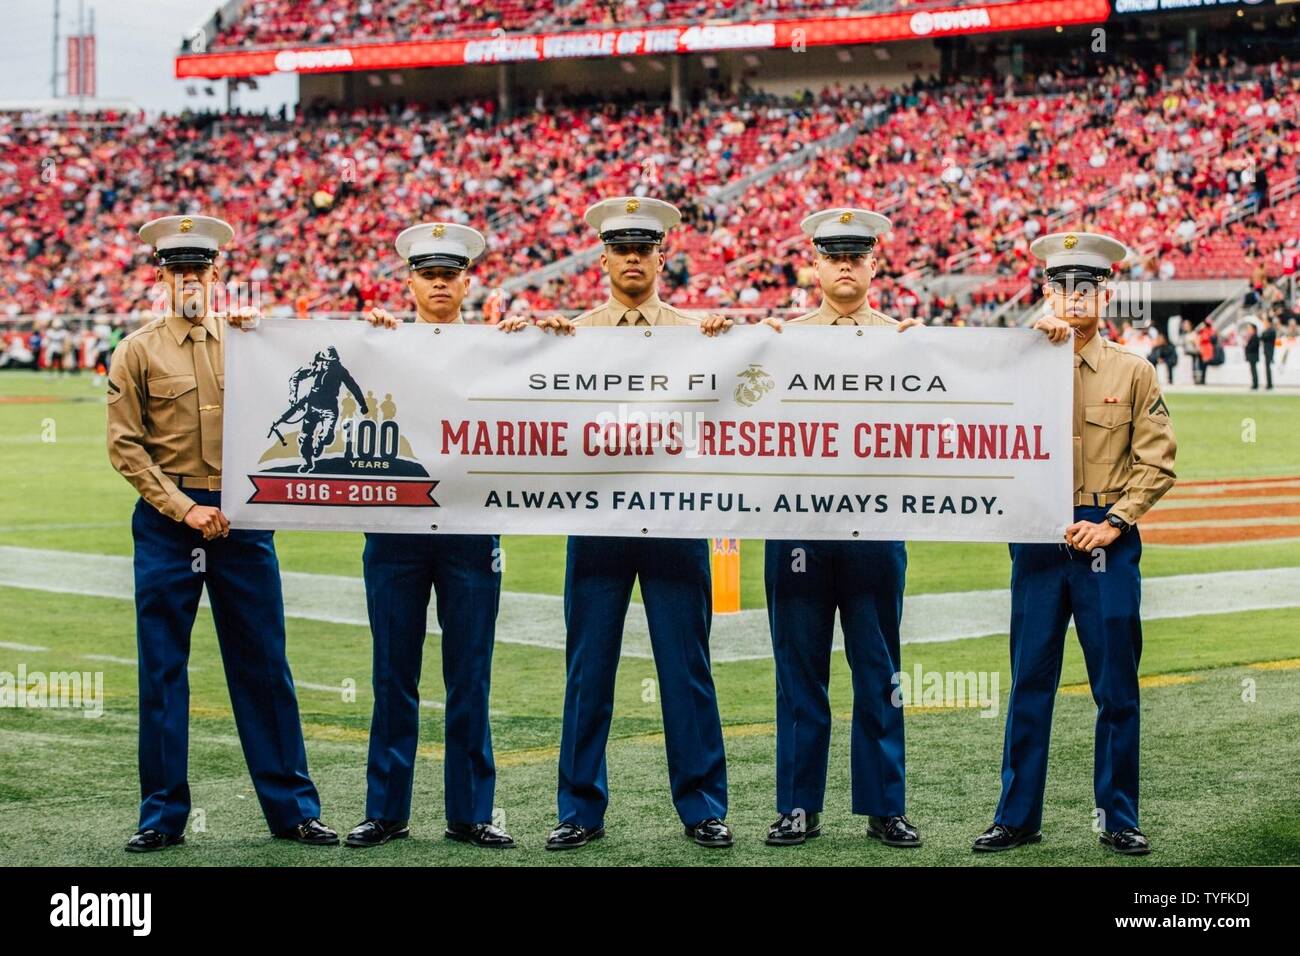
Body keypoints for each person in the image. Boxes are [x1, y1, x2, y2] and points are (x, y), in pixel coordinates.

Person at [503, 197, 735, 850]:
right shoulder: (571, 333)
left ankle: (703, 806)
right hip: (599, 519)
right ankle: (580, 808)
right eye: (621, 249)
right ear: (603, 258)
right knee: (588, 669)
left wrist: (732, 344)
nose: (633, 259)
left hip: (674, 517)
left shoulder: (701, 333)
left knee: (686, 669)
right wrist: (525, 343)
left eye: (644, 248)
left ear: (663, 256)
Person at [109, 215, 335, 852]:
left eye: (199, 268)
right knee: (162, 671)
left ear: (216, 274)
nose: (188, 278)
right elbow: (125, 447)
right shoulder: (137, 349)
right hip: (169, 524)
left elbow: (328, 360)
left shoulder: (249, 341)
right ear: (160, 275)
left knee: (264, 665)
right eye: (177, 268)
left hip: (242, 521)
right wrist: (183, 509)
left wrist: (374, 327)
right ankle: (161, 817)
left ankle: (293, 810)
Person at [973, 231, 1176, 856]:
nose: (1075, 297)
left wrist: (1113, 522)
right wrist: (1028, 348)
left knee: (1115, 685)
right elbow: (980, 433)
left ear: (1105, 294)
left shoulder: (1134, 371)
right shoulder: (1018, 362)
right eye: (1062, 287)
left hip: (1107, 542)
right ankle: (1017, 816)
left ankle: (1119, 817)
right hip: (1038, 540)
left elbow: (1158, 461)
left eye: (1086, 287)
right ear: (1046, 292)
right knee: (1029, 681)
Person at [759, 208, 924, 848]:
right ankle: (799, 805)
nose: (846, 266)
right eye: (834, 256)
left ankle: (886, 803)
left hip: (876, 524)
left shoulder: (905, 340)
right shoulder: (781, 338)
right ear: (816, 265)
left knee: (879, 669)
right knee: (799, 671)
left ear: (874, 264)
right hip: (797, 524)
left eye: (857, 256)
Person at [1260, 313, 1277, 390]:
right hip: (1267, 351)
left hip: (1270, 351)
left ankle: (1270, 384)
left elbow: (1263, 337)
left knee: (1268, 368)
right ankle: (1268, 383)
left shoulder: (1271, 331)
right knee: (1267, 368)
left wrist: (1264, 332)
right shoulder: (1268, 330)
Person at [1244, 322, 1261, 390]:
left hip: (1253, 356)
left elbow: (1253, 346)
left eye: (1250, 328)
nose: (1248, 330)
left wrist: (1247, 346)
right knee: (1252, 370)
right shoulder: (1251, 336)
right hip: (1251, 356)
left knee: (1254, 370)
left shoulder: (1255, 337)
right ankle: (1254, 383)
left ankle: (1255, 384)